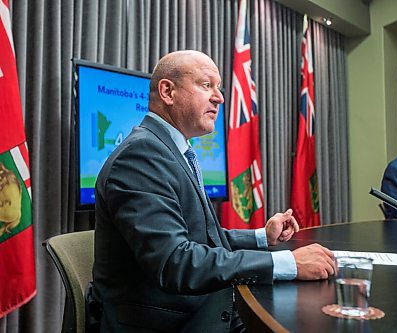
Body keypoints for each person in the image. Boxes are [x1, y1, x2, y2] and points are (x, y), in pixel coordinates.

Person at [86, 50, 335, 333]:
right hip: (172, 324)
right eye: (207, 85)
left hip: (207, 310)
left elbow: (201, 239)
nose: (220, 97)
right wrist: (287, 262)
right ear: (168, 91)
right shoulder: (140, 156)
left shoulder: (171, 151)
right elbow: (176, 261)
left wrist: (262, 237)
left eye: (219, 88)